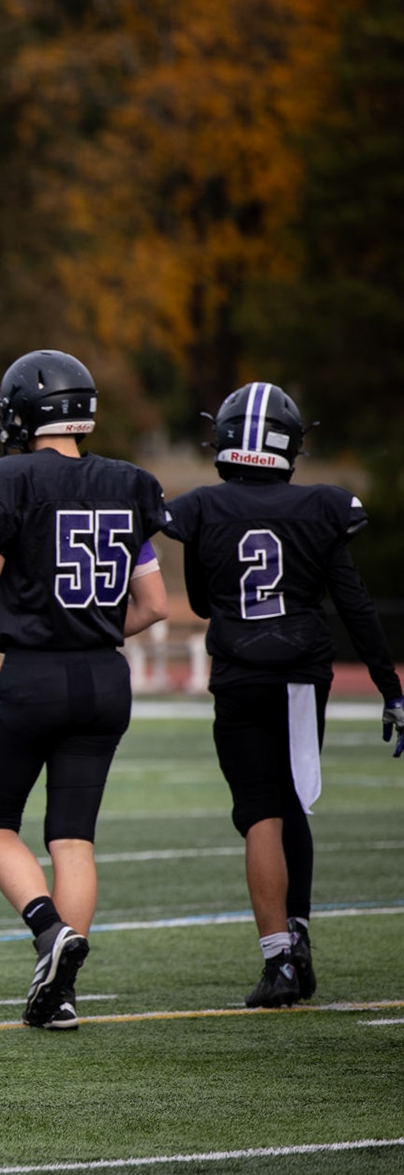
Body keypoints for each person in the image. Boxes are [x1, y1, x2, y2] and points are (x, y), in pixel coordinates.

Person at [163, 383, 404, 1007]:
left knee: (259, 812)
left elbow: (199, 601)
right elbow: (351, 600)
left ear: (224, 441)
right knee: (293, 801)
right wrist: (388, 683)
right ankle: (297, 940)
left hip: (238, 672)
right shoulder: (322, 507)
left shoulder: (202, 508)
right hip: (301, 672)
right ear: (291, 446)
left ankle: (280, 960)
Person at [0, 350, 170, 1031]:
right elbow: (156, 605)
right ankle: (62, 992)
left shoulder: (7, 479)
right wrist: (97, 624)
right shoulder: (131, 483)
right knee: (73, 836)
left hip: (34, 674)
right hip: (107, 677)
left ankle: (50, 930)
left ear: (25, 412)